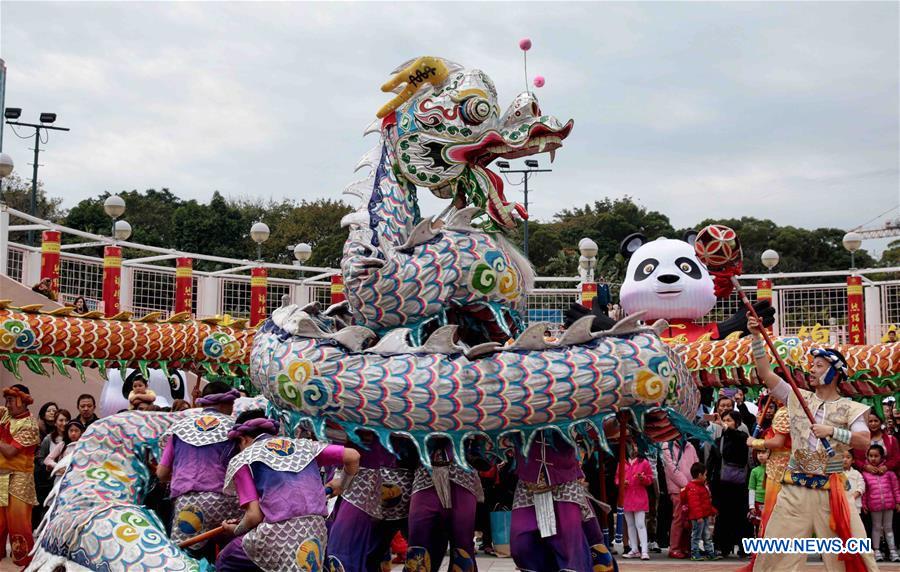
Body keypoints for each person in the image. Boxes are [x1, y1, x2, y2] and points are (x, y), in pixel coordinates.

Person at [748, 316, 877, 571]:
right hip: (794, 490)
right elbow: (765, 373)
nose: (812, 370)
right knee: (773, 556)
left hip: (833, 492)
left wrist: (832, 431)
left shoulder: (852, 409)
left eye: (818, 366)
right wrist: (755, 337)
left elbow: (863, 441)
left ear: (833, 372)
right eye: (812, 365)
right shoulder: (797, 398)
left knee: (854, 555)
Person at [215, 410, 360, 572]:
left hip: (276, 536)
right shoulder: (304, 445)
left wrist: (235, 530)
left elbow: (253, 516)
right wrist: (343, 485)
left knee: (225, 560)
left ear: (242, 439)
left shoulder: (243, 458)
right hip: (316, 531)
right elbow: (353, 456)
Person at [156, 382, 242, 558]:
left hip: (188, 505)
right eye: (232, 404)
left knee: (186, 558)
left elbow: (161, 473)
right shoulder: (236, 428)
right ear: (225, 403)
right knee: (235, 556)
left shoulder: (179, 429)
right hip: (228, 503)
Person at [0, 385, 40, 566]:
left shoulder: (31, 425)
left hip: (20, 479)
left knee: (18, 523)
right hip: (1, 477)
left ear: (23, 401)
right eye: (6, 400)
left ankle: (24, 562)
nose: (6, 405)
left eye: (10, 401)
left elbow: (9, 452)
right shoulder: (7, 414)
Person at [714, 410, 751, 558]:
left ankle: (744, 548)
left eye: (729, 420)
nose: (726, 423)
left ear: (737, 422)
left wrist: (727, 428)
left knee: (742, 517)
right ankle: (723, 548)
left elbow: (742, 441)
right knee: (723, 516)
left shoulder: (742, 437)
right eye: (725, 420)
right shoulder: (719, 440)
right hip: (723, 484)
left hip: (740, 484)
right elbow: (713, 463)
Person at [861, 444, 900, 562]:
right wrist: (864, 504)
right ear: (867, 457)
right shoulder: (865, 475)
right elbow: (864, 491)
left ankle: (893, 551)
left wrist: (898, 501)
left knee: (888, 528)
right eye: (871, 456)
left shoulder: (889, 474)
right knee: (876, 527)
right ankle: (876, 551)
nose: (873, 458)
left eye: (876, 456)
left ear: (882, 457)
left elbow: (896, 489)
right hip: (874, 506)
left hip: (889, 505)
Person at [662, 440, 699, 559]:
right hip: (677, 488)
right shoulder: (667, 446)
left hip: (691, 488)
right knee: (679, 516)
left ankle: (686, 547)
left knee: (689, 517)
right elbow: (671, 469)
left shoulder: (690, 446)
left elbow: (696, 465)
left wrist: (696, 483)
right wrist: (687, 485)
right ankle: (674, 548)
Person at [34, 408, 70, 527]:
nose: (64, 423)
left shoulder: (72, 439)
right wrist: (51, 466)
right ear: (55, 422)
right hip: (49, 479)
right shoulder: (48, 439)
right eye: (60, 420)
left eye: (66, 420)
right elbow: (41, 457)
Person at [616, 447, 653, 560]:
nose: (633, 448)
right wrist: (622, 482)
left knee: (640, 524)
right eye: (631, 446)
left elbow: (650, 479)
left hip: (639, 497)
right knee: (630, 524)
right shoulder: (622, 463)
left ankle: (644, 550)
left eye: (636, 446)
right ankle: (634, 549)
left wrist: (643, 478)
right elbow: (617, 479)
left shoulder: (644, 462)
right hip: (627, 496)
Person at [680, 462, 718, 561]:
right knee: (697, 535)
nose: (706, 476)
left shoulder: (700, 486)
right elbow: (694, 504)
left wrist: (712, 511)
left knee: (707, 535)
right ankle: (695, 553)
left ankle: (709, 552)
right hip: (698, 518)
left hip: (703, 516)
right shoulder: (693, 488)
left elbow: (705, 503)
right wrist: (699, 516)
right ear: (700, 475)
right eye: (705, 474)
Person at [747, 449, 769, 536]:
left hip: (770, 502)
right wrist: (751, 505)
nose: (760, 455)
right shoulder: (754, 471)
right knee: (757, 527)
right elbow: (751, 489)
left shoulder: (774, 470)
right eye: (758, 453)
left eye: (763, 453)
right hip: (758, 502)